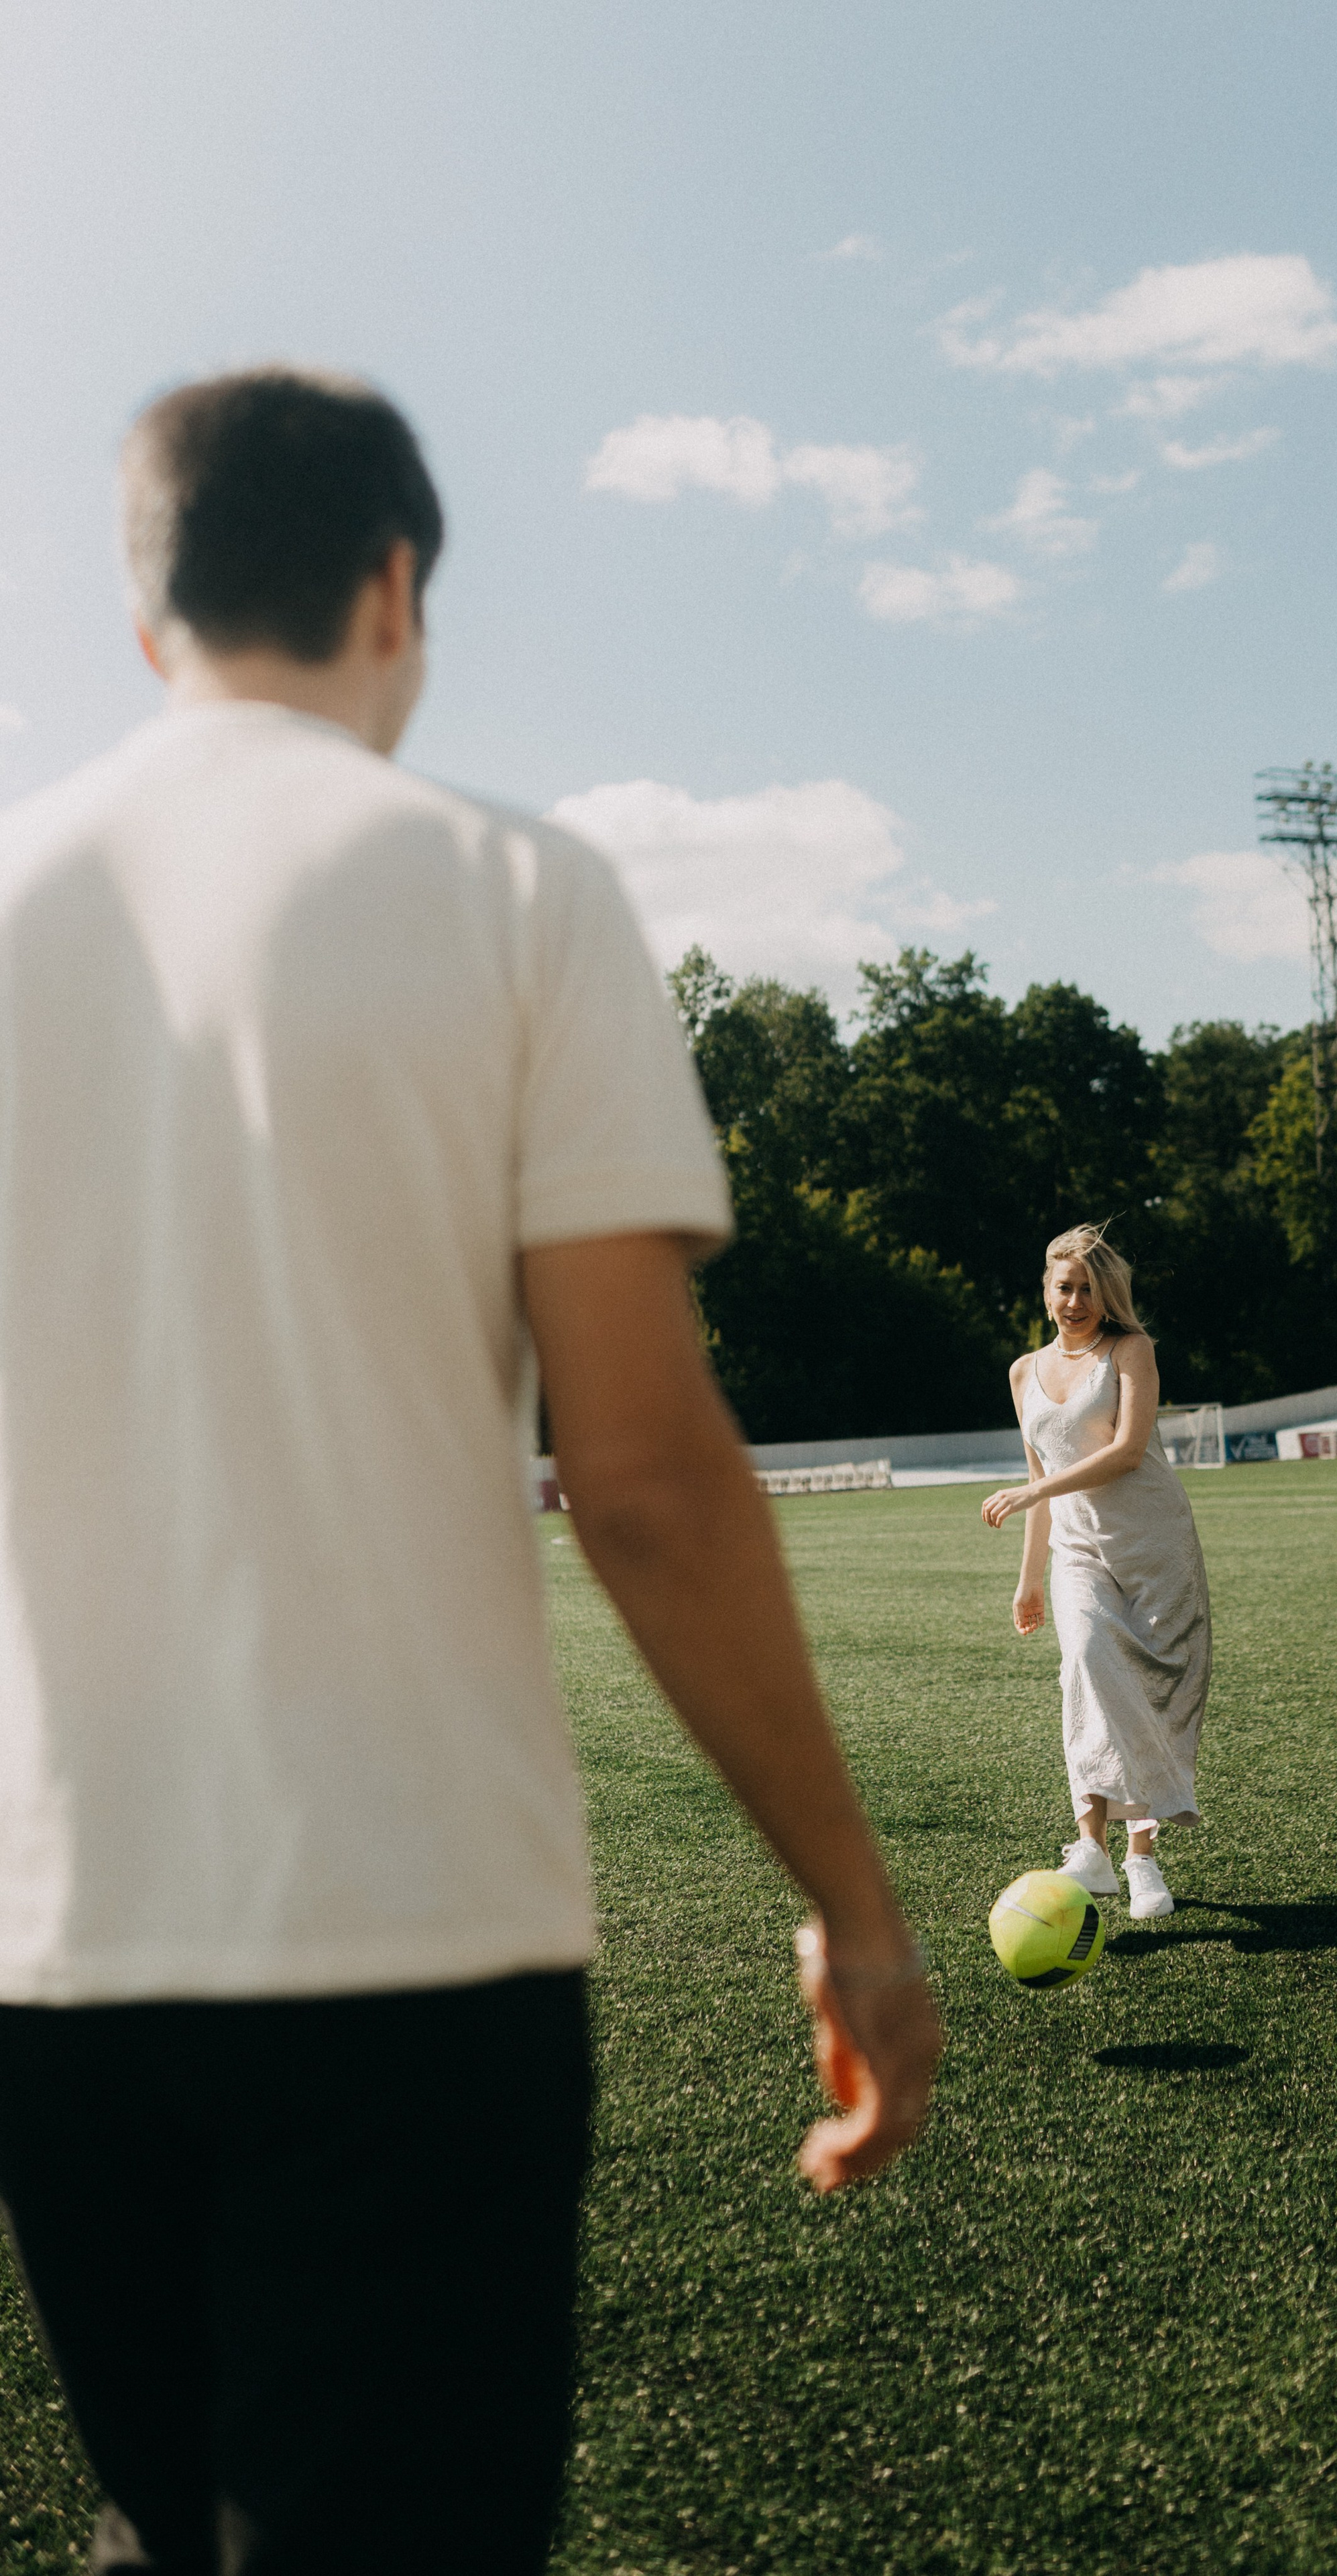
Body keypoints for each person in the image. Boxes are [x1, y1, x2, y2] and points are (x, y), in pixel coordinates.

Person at [0, 367, 940, 2576]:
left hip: (54, 1956)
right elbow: (641, 1476)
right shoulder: (515, 888)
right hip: (411, 1948)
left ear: (147, 615)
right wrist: (852, 1904)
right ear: (398, 585)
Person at [981, 1223, 1210, 1921]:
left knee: (1147, 1696)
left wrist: (1035, 1491)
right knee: (1083, 1662)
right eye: (1064, 1287)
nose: (1075, 1300)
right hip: (1077, 1552)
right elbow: (1036, 1479)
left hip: (1154, 1549)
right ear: (1045, 1292)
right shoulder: (1024, 1372)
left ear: (1107, 1296)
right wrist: (1027, 1580)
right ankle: (1092, 1849)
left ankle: (1142, 1857)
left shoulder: (1130, 1351)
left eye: (1087, 1288)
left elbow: (1126, 1451)